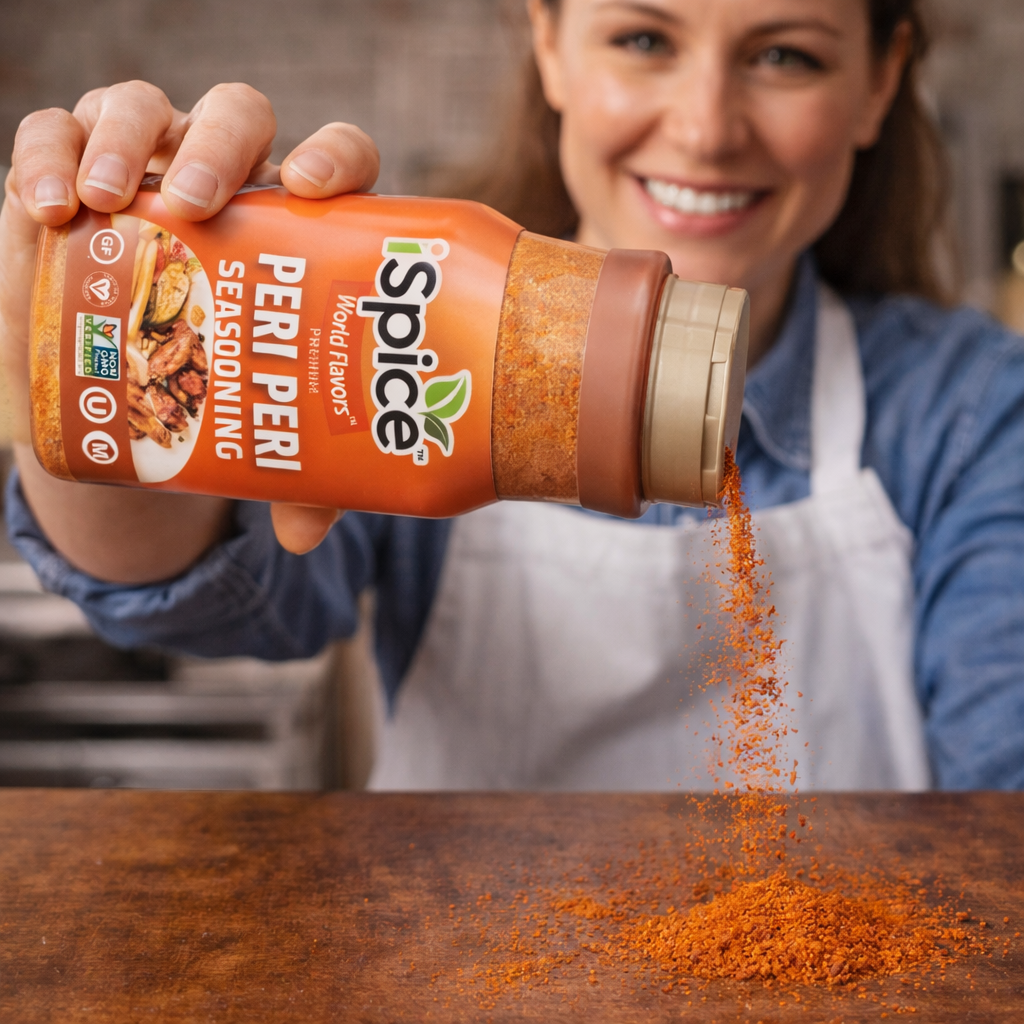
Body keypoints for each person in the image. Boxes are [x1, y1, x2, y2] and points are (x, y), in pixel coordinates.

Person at [2, 0, 1022, 790]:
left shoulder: (969, 412)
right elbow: (214, 609)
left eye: (785, 56)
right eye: (642, 40)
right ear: (549, 44)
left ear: (880, 83)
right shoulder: (389, 315)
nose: (706, 130)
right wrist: (89, 390)